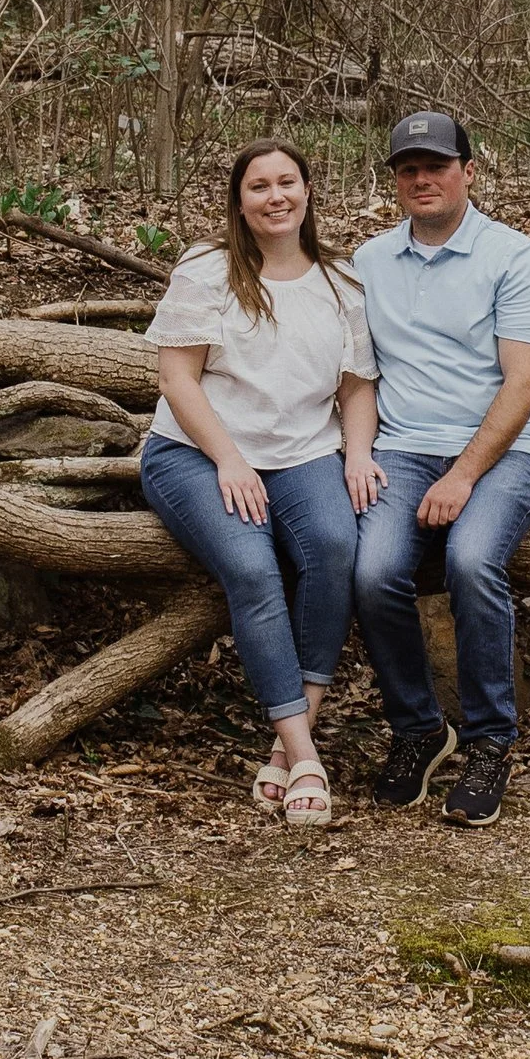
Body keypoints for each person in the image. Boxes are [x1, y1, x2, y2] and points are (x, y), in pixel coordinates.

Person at [139, 137, 382, 826]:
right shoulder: (207, 268)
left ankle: (285, 747)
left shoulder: (342, 283)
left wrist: (358, 455)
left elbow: (356, 388)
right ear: (239, 202)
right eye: (259, 186)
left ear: (308, 191)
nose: (276, 197)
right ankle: (306, 758)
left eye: (287, 182)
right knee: (252, 569)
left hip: (305, 455)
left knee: (335, 548)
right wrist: (228, 458)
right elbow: (176, 378)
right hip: (194, 451)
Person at [350, 108, 530, 831]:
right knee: (371, 571)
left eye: (436, 166)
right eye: (408, 169)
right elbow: (359, 375)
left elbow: (524, 382)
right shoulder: (369, 262)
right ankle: (417, 728)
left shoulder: (514, 256)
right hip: (402, 448)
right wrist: (360, 454)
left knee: (471, 558)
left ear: (469, 172)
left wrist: (465, 474)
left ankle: (490, 741)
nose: (422, 179)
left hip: (505, 448)